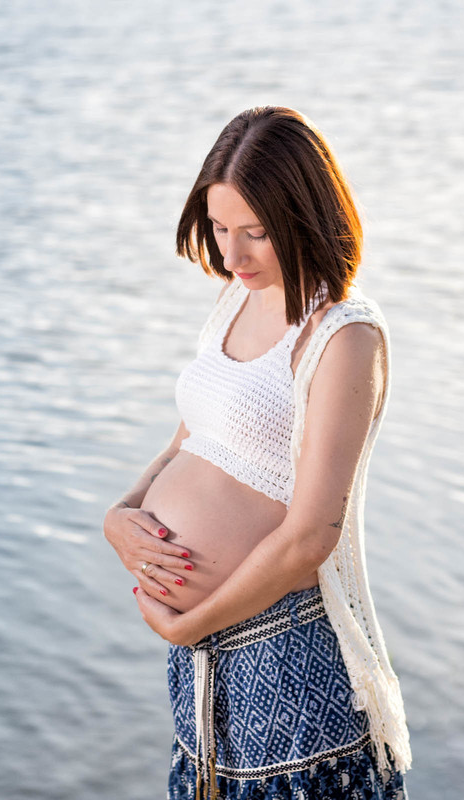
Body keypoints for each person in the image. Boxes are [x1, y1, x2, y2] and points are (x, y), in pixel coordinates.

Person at [102, 106, 412, 799]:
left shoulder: (342, 336)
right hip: (204, 664)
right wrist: (120, 515)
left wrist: (188, 623)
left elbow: (309, 536)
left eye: (255, 233)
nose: (231, 256)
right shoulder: (236, 301)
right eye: (218, 228)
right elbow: (192, 439)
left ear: (304, 215)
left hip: (284, 653)